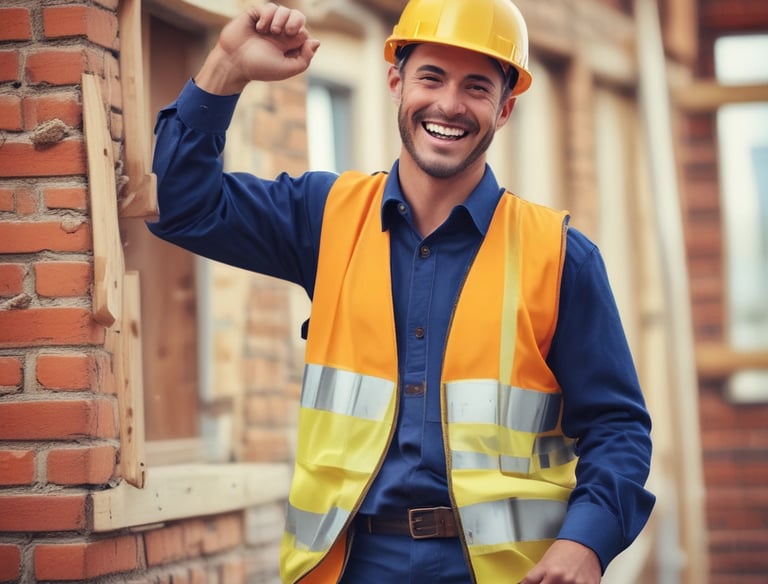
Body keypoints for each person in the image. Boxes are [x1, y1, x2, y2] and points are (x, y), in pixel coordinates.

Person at [148, 1, 656, 582]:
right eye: (431, 77)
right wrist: (227, 67)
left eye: (476, 87)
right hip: (353, 567)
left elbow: (618, 428)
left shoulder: (560, 257)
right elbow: (179, 205)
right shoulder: (326, 217)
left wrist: (585, 544)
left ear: (505, 108)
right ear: (396, 81)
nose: (448, 105)